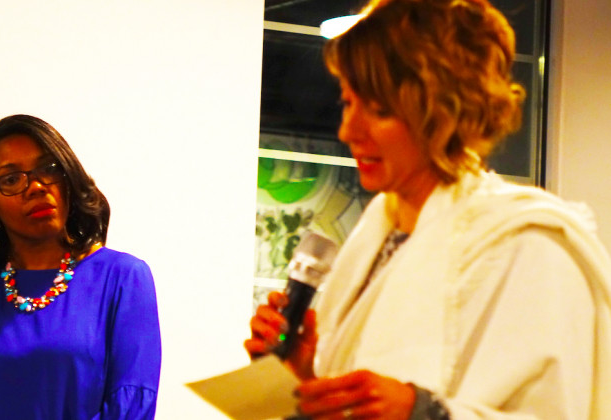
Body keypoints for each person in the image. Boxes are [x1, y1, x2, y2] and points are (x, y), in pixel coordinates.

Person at [246, 0, 611, 418]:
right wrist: (308, 380)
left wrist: (422, 411)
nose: (348, 130)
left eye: (379, 110)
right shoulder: (376, 235)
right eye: (348, 104)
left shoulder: (530, 245)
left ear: (444, 110)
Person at [0, 114, 162, 419]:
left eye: (48, 169)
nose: (36, 186)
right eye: (11, 180)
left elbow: (130, 408)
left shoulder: (122, 278)